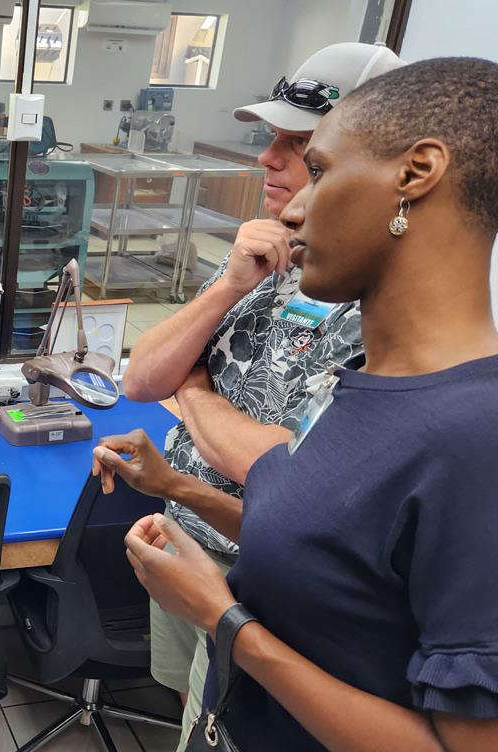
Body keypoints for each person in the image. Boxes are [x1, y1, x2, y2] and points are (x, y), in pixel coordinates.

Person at [96, 57, 498, 750]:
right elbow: (328, 548)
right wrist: (178, 488)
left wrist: (227, 622)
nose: (289, 207)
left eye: (319, 169)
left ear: (416, 173)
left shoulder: (474, 439)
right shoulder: (368, 387)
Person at [118, 42, 404, 738]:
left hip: (268, 567)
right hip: (188, 534)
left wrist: (191, 392)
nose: (267, 160)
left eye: (300, 146)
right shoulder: (268, 256)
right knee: (194, 710)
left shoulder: (387, 300)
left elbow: (293, 467)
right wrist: (230, 284)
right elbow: (140, 378)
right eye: (271, 139)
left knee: (236, 715)